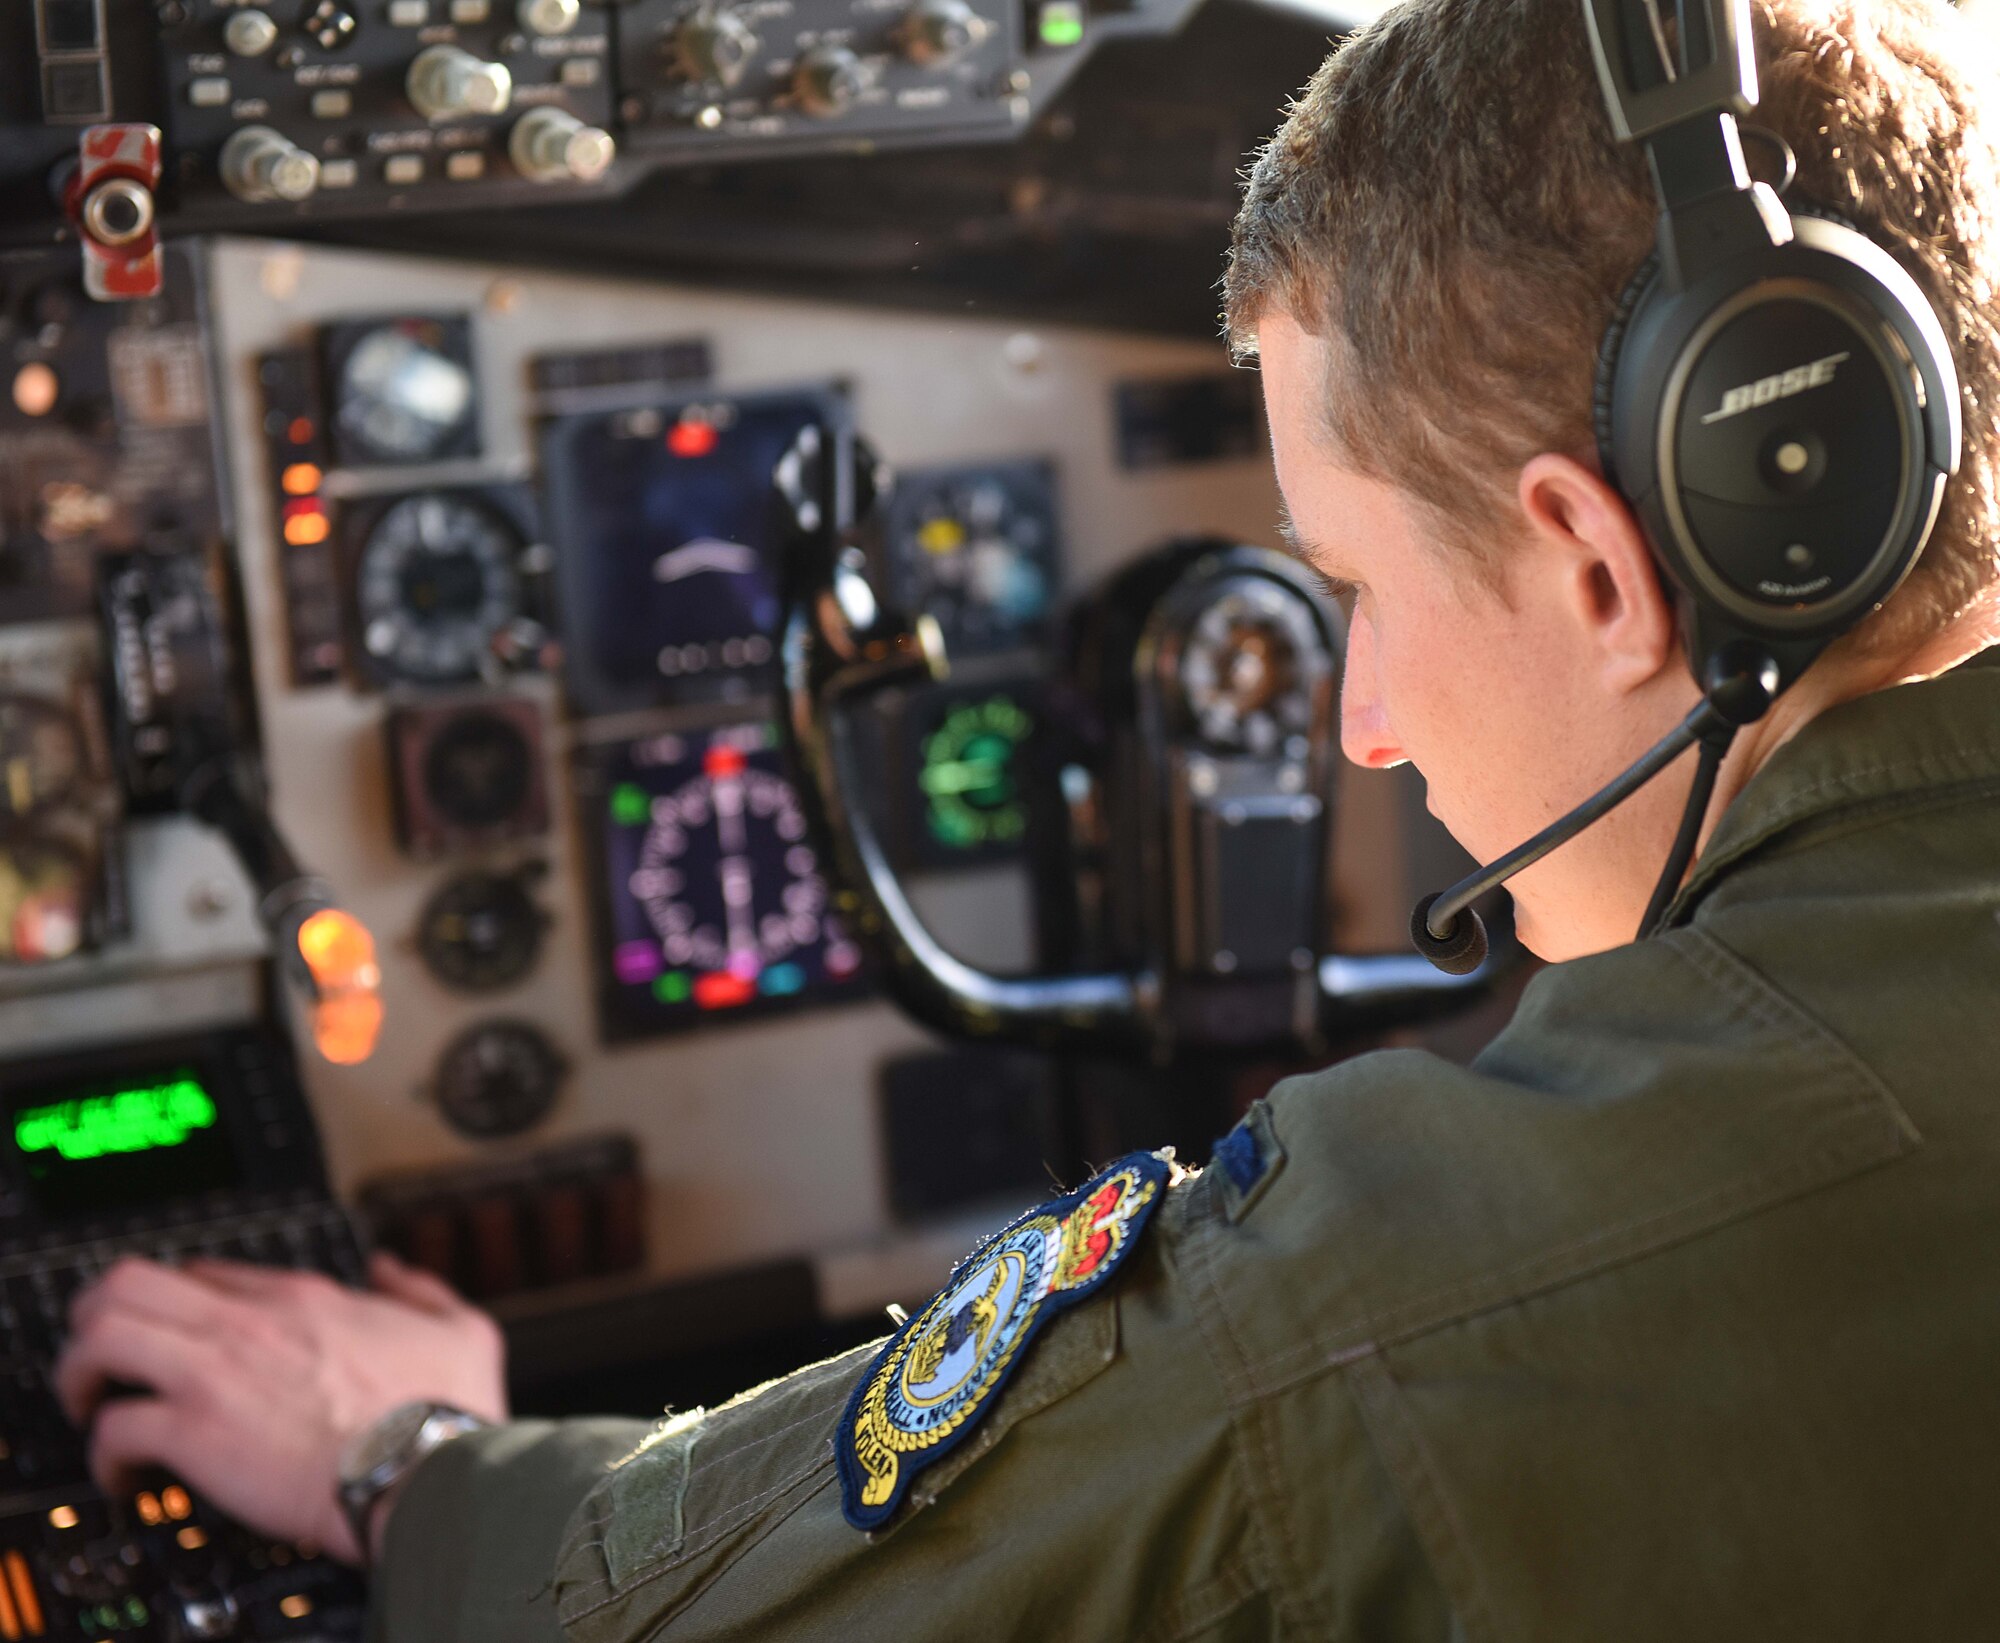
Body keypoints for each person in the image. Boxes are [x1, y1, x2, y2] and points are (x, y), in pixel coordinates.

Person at [54, 0, 2000, 1635]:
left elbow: (695, 1608)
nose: (1369, 726)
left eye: (1355, 591)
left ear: (1594, 564)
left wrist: (402, 1459)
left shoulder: (1458, 1283)